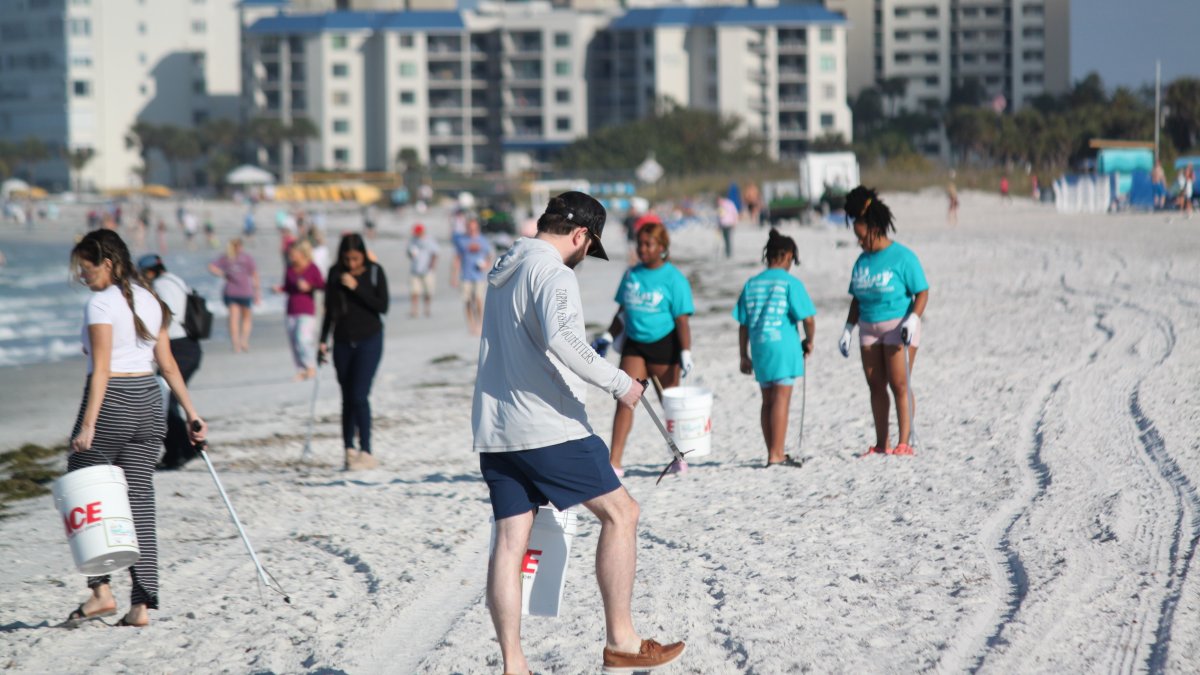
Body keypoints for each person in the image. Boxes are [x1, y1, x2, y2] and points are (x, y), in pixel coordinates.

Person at [472, 191, 684, 674]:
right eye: (590, 246)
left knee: (509, 542)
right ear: (580, 234)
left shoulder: (507, 267)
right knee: (622, 513)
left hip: (496, 430)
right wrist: (621, 384)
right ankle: (622, 641)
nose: (586, 256)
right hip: (548, 426)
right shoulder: (554, 271)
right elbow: (563, 339)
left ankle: (514, 665)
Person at [63, 230, 207, 628]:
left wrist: (89, 424)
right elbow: (169, 366)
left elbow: (103, 370)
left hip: (113, 400)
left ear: (107, 264)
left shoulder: (101, 304)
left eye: (86, 268)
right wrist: (193, 414)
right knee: (140, 498)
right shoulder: (152, 300)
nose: (82, 276)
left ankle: (101, 591)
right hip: (149, 402)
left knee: (84, 487)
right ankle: (142, 602)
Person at [594, 220, 694, 476]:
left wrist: (685, 352)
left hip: (665, 346)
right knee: (625, 399)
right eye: (640, 244)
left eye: (649, 244)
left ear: (662, 247)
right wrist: (607, 335)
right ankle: (614, 462)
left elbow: (682, 319)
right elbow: (623, 312)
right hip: (634, 345)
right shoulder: (631, 274)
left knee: (669, 405)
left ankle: (679, 456)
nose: (643, 249)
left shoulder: (674, 278)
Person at [837, 187, 929, 456]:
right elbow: (856, 298)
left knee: (899, 383)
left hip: (898, 327)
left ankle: (904, 442)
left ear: (874, 227)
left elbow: (922, 292)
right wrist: (847, 328)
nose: (859, 242)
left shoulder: (903, 257)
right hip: (868, 328)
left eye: (861, 236)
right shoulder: (861, 261)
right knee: (875, 385)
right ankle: (881, 443)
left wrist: (913, 319)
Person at [734, 230, 816, 466]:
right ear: (788, 255)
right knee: (781, 399)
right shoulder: (790, 282)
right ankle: (776, 454)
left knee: (767, 399)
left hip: (760, 348)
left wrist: (743, 354)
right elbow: (808, 319)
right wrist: (809, 340)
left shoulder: (751, 284)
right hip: (784, 346)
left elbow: (743, 324)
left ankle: (772, 449)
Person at [319, 233, 388, 471]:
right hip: (342, 341)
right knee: (347, 396)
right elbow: (329, 310)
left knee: (360, 395)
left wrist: (357, 287)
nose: (352, 264)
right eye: (347, 259)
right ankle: (348, 450)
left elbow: (383, 306)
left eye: (356, 258)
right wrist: (322, 340)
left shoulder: (375, 271)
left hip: (370, 339)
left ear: (363, 254)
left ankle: (366, 450)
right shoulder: (334, 274)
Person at [137, 254, 204, 470]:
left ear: (149, 272)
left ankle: (179, 452)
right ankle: (183, 449)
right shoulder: (175, 280)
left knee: (162, 400)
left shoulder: (162, 286)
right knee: (167, 401)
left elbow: (166, 317)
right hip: (187, 346)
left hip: (179, 347)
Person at [275, 240, 326, 381]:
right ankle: (300, 369)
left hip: (307, 310)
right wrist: (279, 289)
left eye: (293, 254)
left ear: (302, 254)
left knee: (302, 339)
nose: (290, 256)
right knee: (293, 342)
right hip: (291, 309)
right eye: (290, 254)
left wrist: (309, 287)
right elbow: (287, 287)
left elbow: (323, 285)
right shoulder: (290, 269)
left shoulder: (312, 268)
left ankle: (310, 366)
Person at [208, 238, 260, 353]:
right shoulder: (246, 258)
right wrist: (257, 293)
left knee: (233, 319)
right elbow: (255, 275)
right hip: (245, 291)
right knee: (246, 318)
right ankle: (244, 341)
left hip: (231, 291)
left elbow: (211, 267)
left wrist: (223, 274)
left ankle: (236, 344)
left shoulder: (227, 257)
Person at [451, 218, 491, 335]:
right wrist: (454, 276)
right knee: (467, 301)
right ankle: (471, 324)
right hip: (465, 275)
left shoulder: (483, 240)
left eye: (474, 228)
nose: (472, 230)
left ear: (477, 228)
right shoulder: (461, 240)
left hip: (479, 275)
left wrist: (486, 265)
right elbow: (457, 258)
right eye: (470, 228)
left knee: (478, 299)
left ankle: (480, 323)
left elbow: (489, 255)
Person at [406, 223, 439, 318]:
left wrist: (432, 265)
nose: (417, 234)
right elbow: (408, 253)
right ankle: (414, 310)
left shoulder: (429, 240)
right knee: (414, 292)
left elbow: (435, 253)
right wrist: (411, 254)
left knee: (428, 291)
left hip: (427, 270)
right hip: (415, 270)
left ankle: (427, 309)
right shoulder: (412, 240)